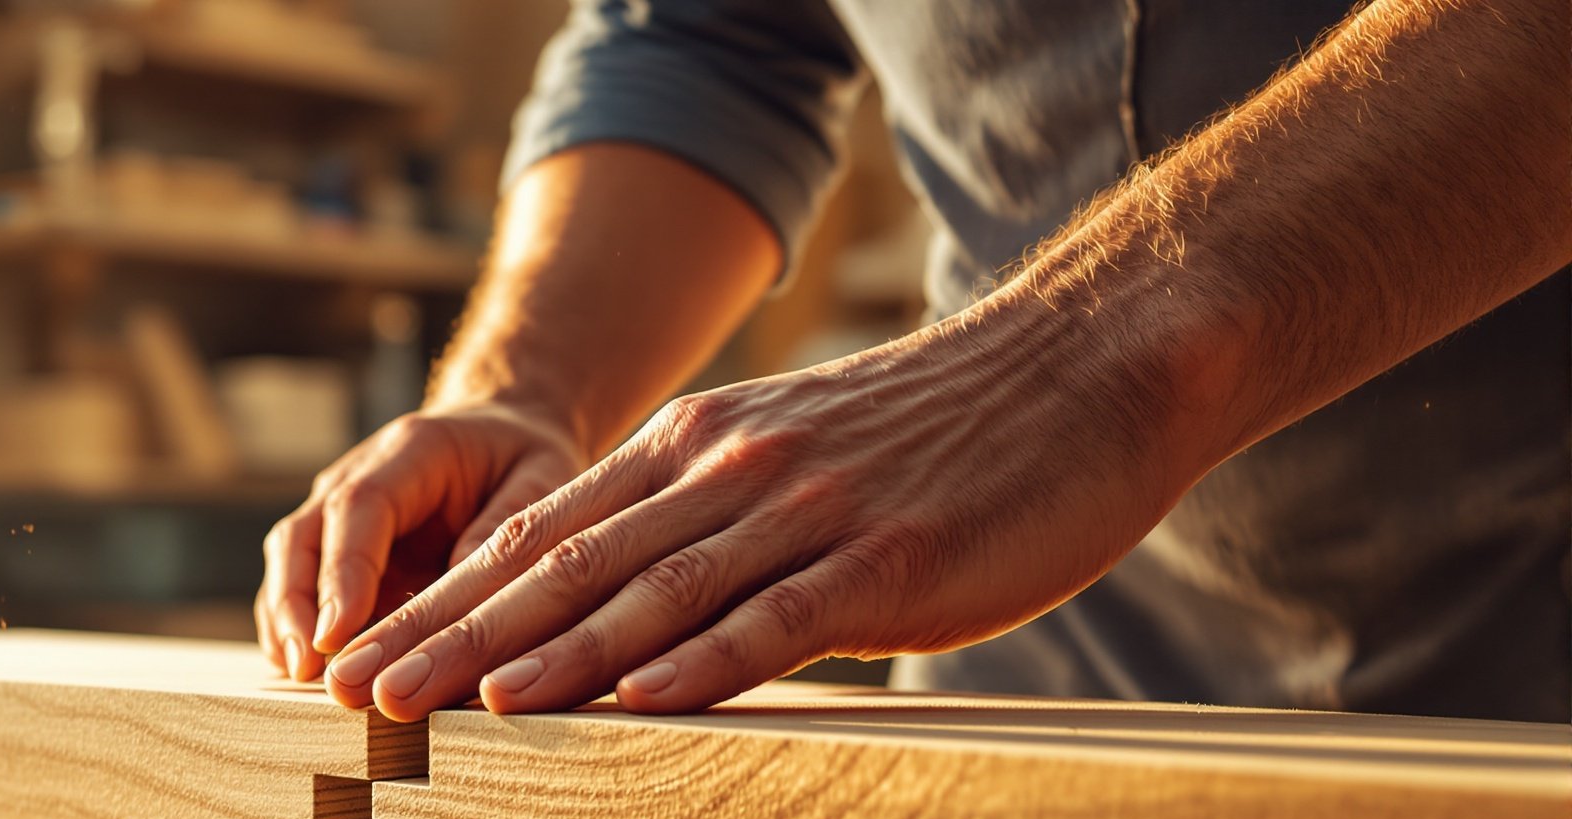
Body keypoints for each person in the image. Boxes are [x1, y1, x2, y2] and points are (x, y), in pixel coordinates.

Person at [253, 0, 1571, 724]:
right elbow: (711, 35)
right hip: (1034, 689)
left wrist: (1090, 353)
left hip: (1525, 660)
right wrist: (526, 386)